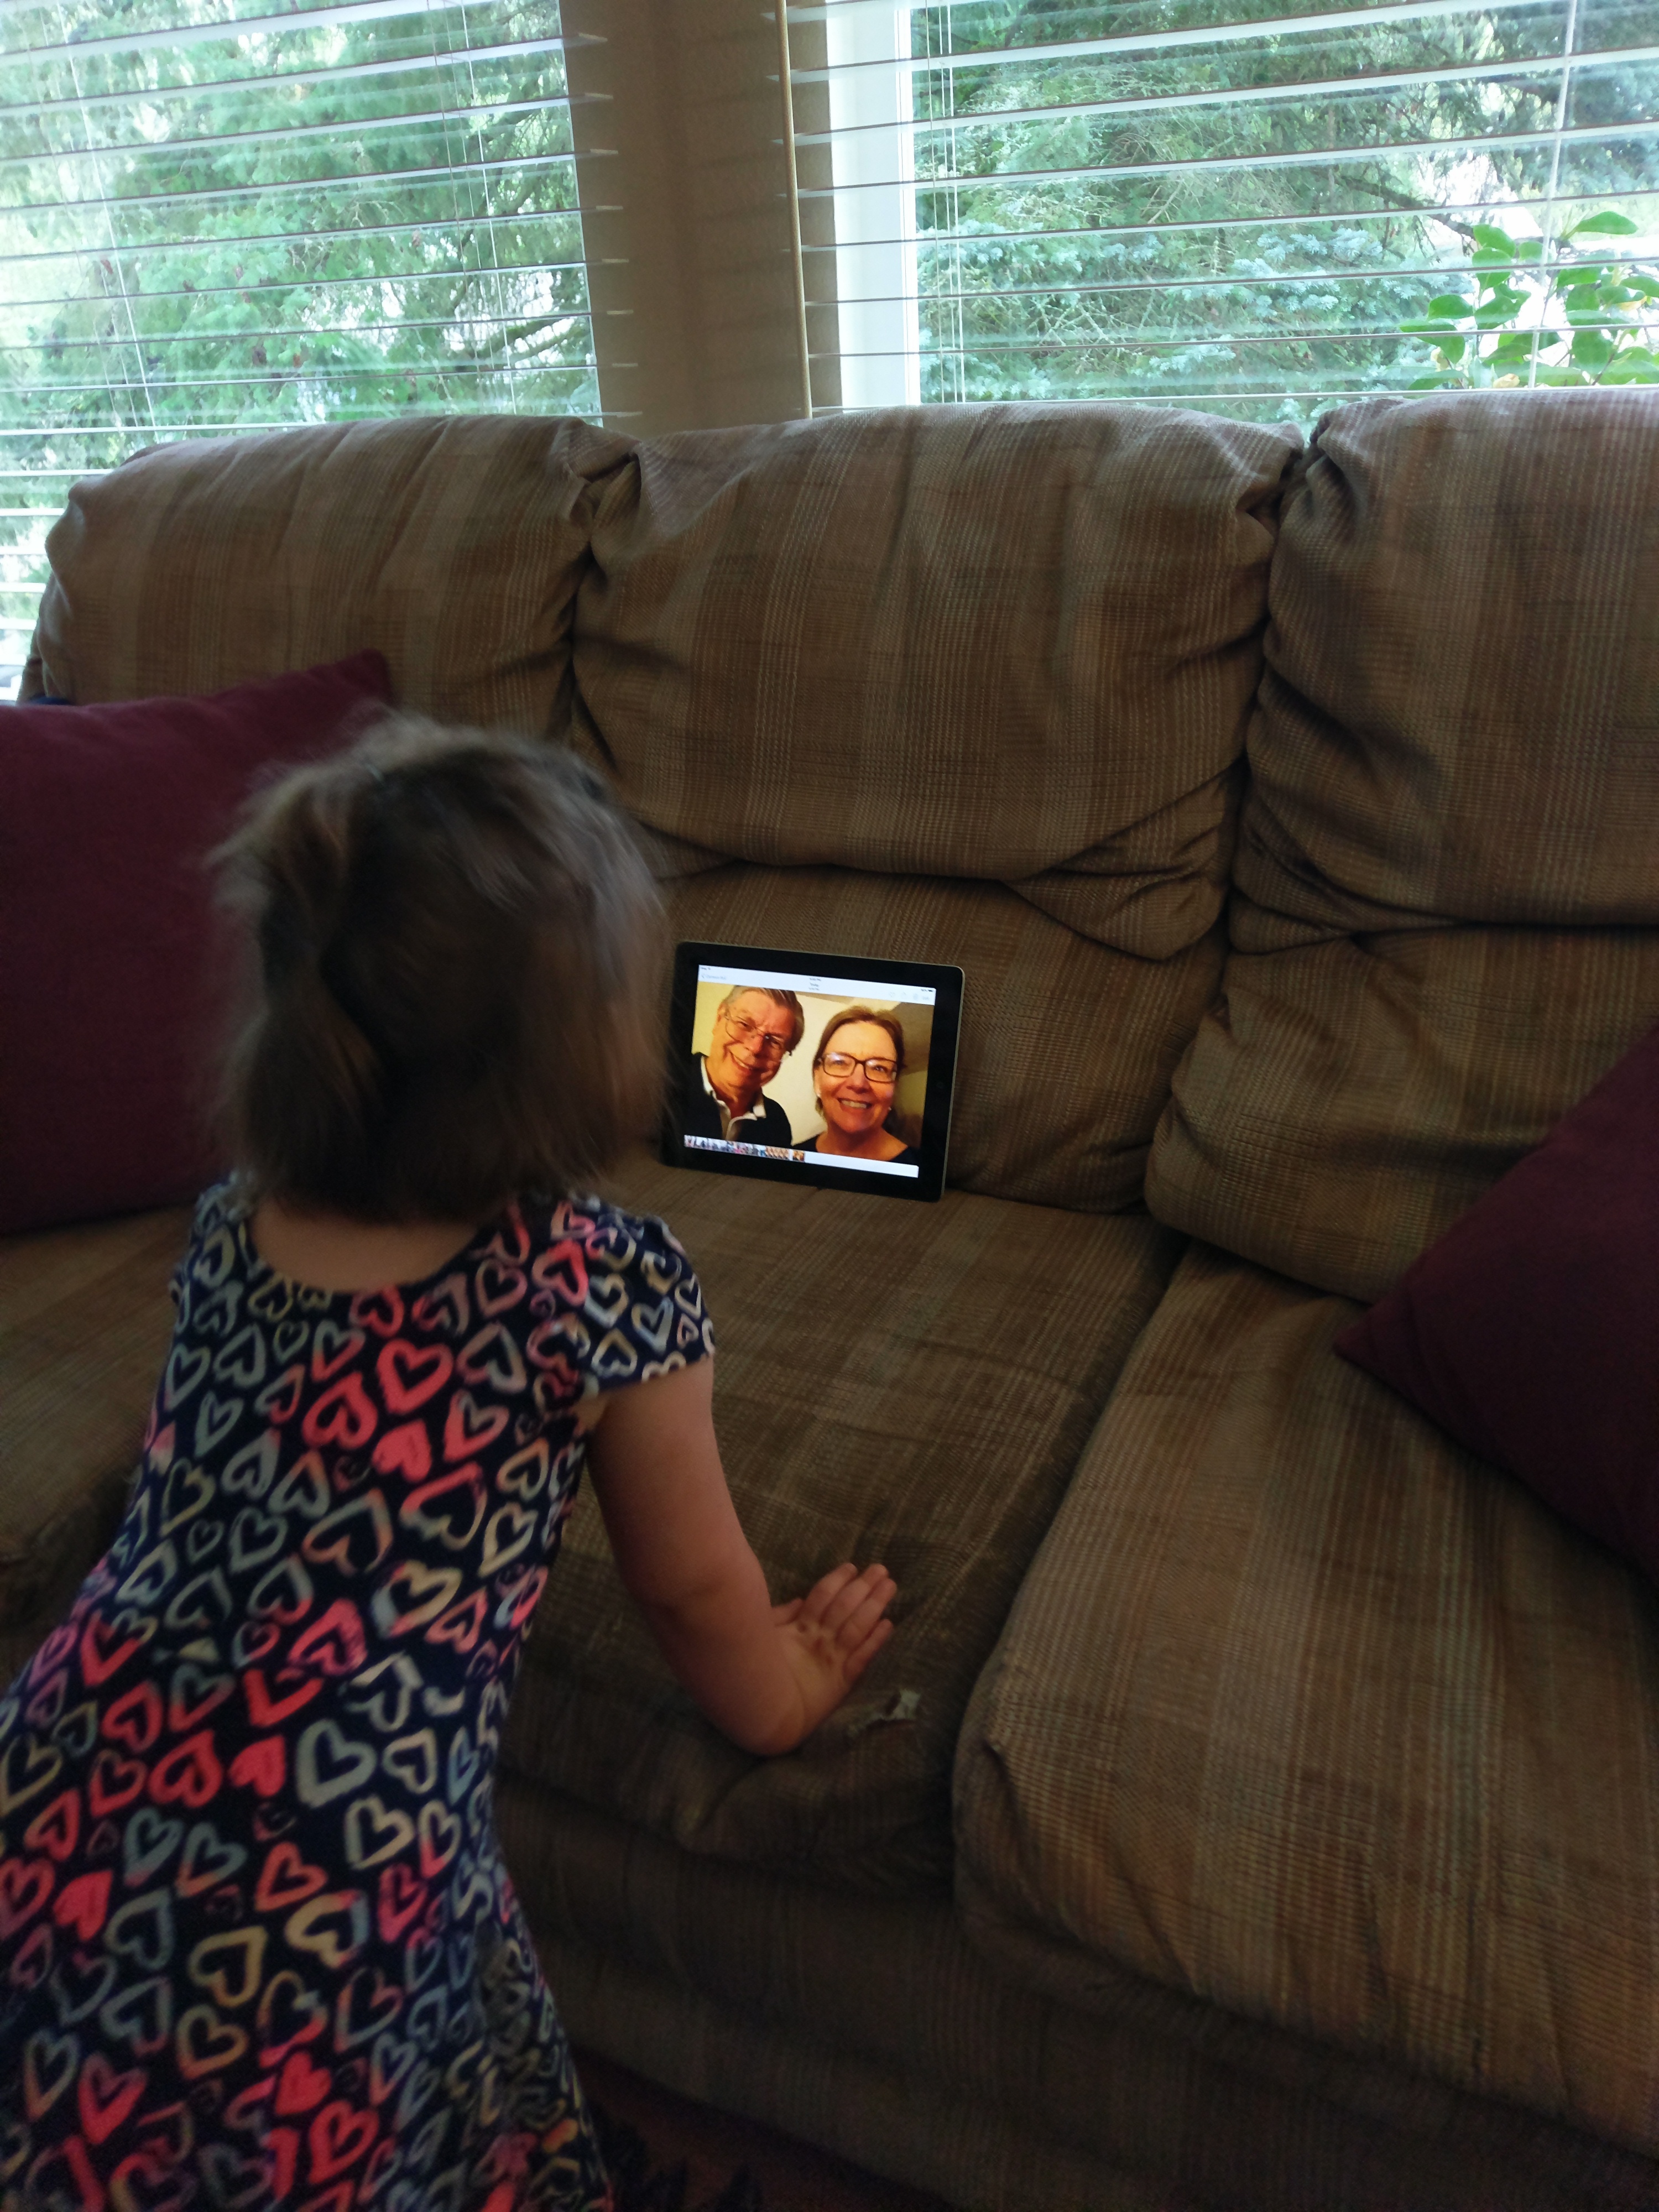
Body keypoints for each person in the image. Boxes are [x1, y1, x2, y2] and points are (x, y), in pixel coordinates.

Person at [0, 719, 896, 2212]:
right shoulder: (597, 1288)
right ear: (582, 1049)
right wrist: (786, 1690)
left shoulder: (233, 1222)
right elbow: (690, 1592)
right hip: (333, 1874)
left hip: (63, 1769)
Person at [796, 1008, 924, 1167]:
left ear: (894, 1086)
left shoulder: (921, 1171)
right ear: (817, 1078)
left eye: (879, 1068)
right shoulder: (791, 1161)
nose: (858, 1083)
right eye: (840, 1062)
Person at [681, 985, 802, 1148]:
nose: (756, 1048)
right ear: (719, 1019)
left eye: (774, 1041)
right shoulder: (662, 1082)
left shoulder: (777, 1122)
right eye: (744, 1024)